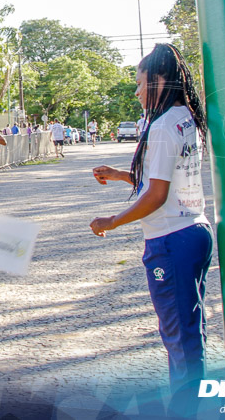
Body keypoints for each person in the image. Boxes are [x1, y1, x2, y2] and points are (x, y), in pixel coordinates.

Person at [89, 43, 212, 413]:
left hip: (170, 241)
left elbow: (157, 196)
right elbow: (163, 182)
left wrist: (112, 221)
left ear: (159, 81)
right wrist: (120, 175)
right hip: (195, 231)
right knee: (191, 332)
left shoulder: (160, 127)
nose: (137, 91)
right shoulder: (187, 118)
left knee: (179, 337)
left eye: (141, 83)